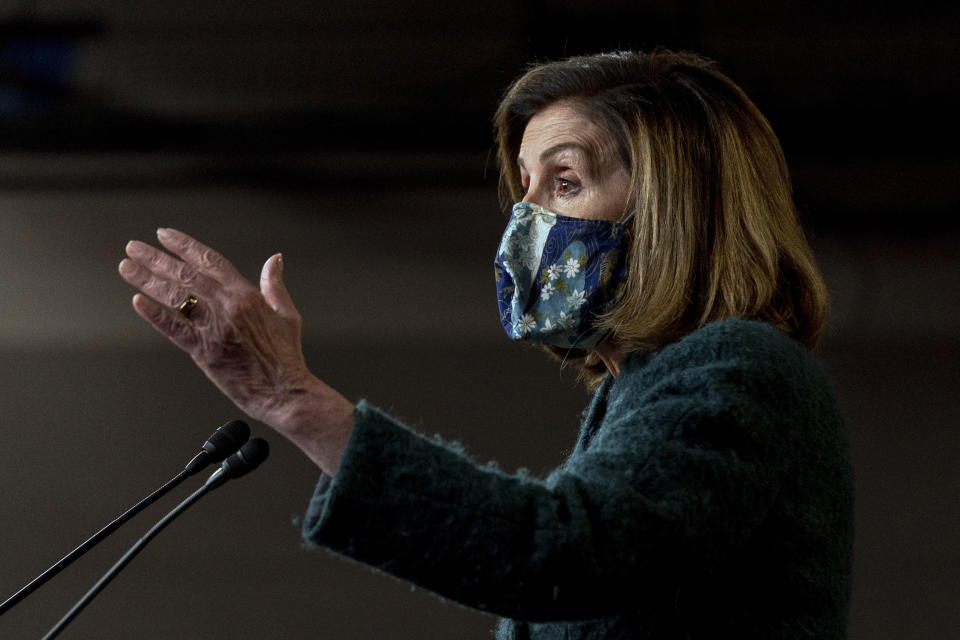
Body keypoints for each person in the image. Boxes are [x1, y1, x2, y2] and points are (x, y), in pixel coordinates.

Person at [118, 50, 854, 639]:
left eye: (564, 183)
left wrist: (292, 397)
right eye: (523, 191)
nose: (523, 224)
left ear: (678, 206)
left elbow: (559, 554)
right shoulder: (640, 389)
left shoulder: (743, 369)